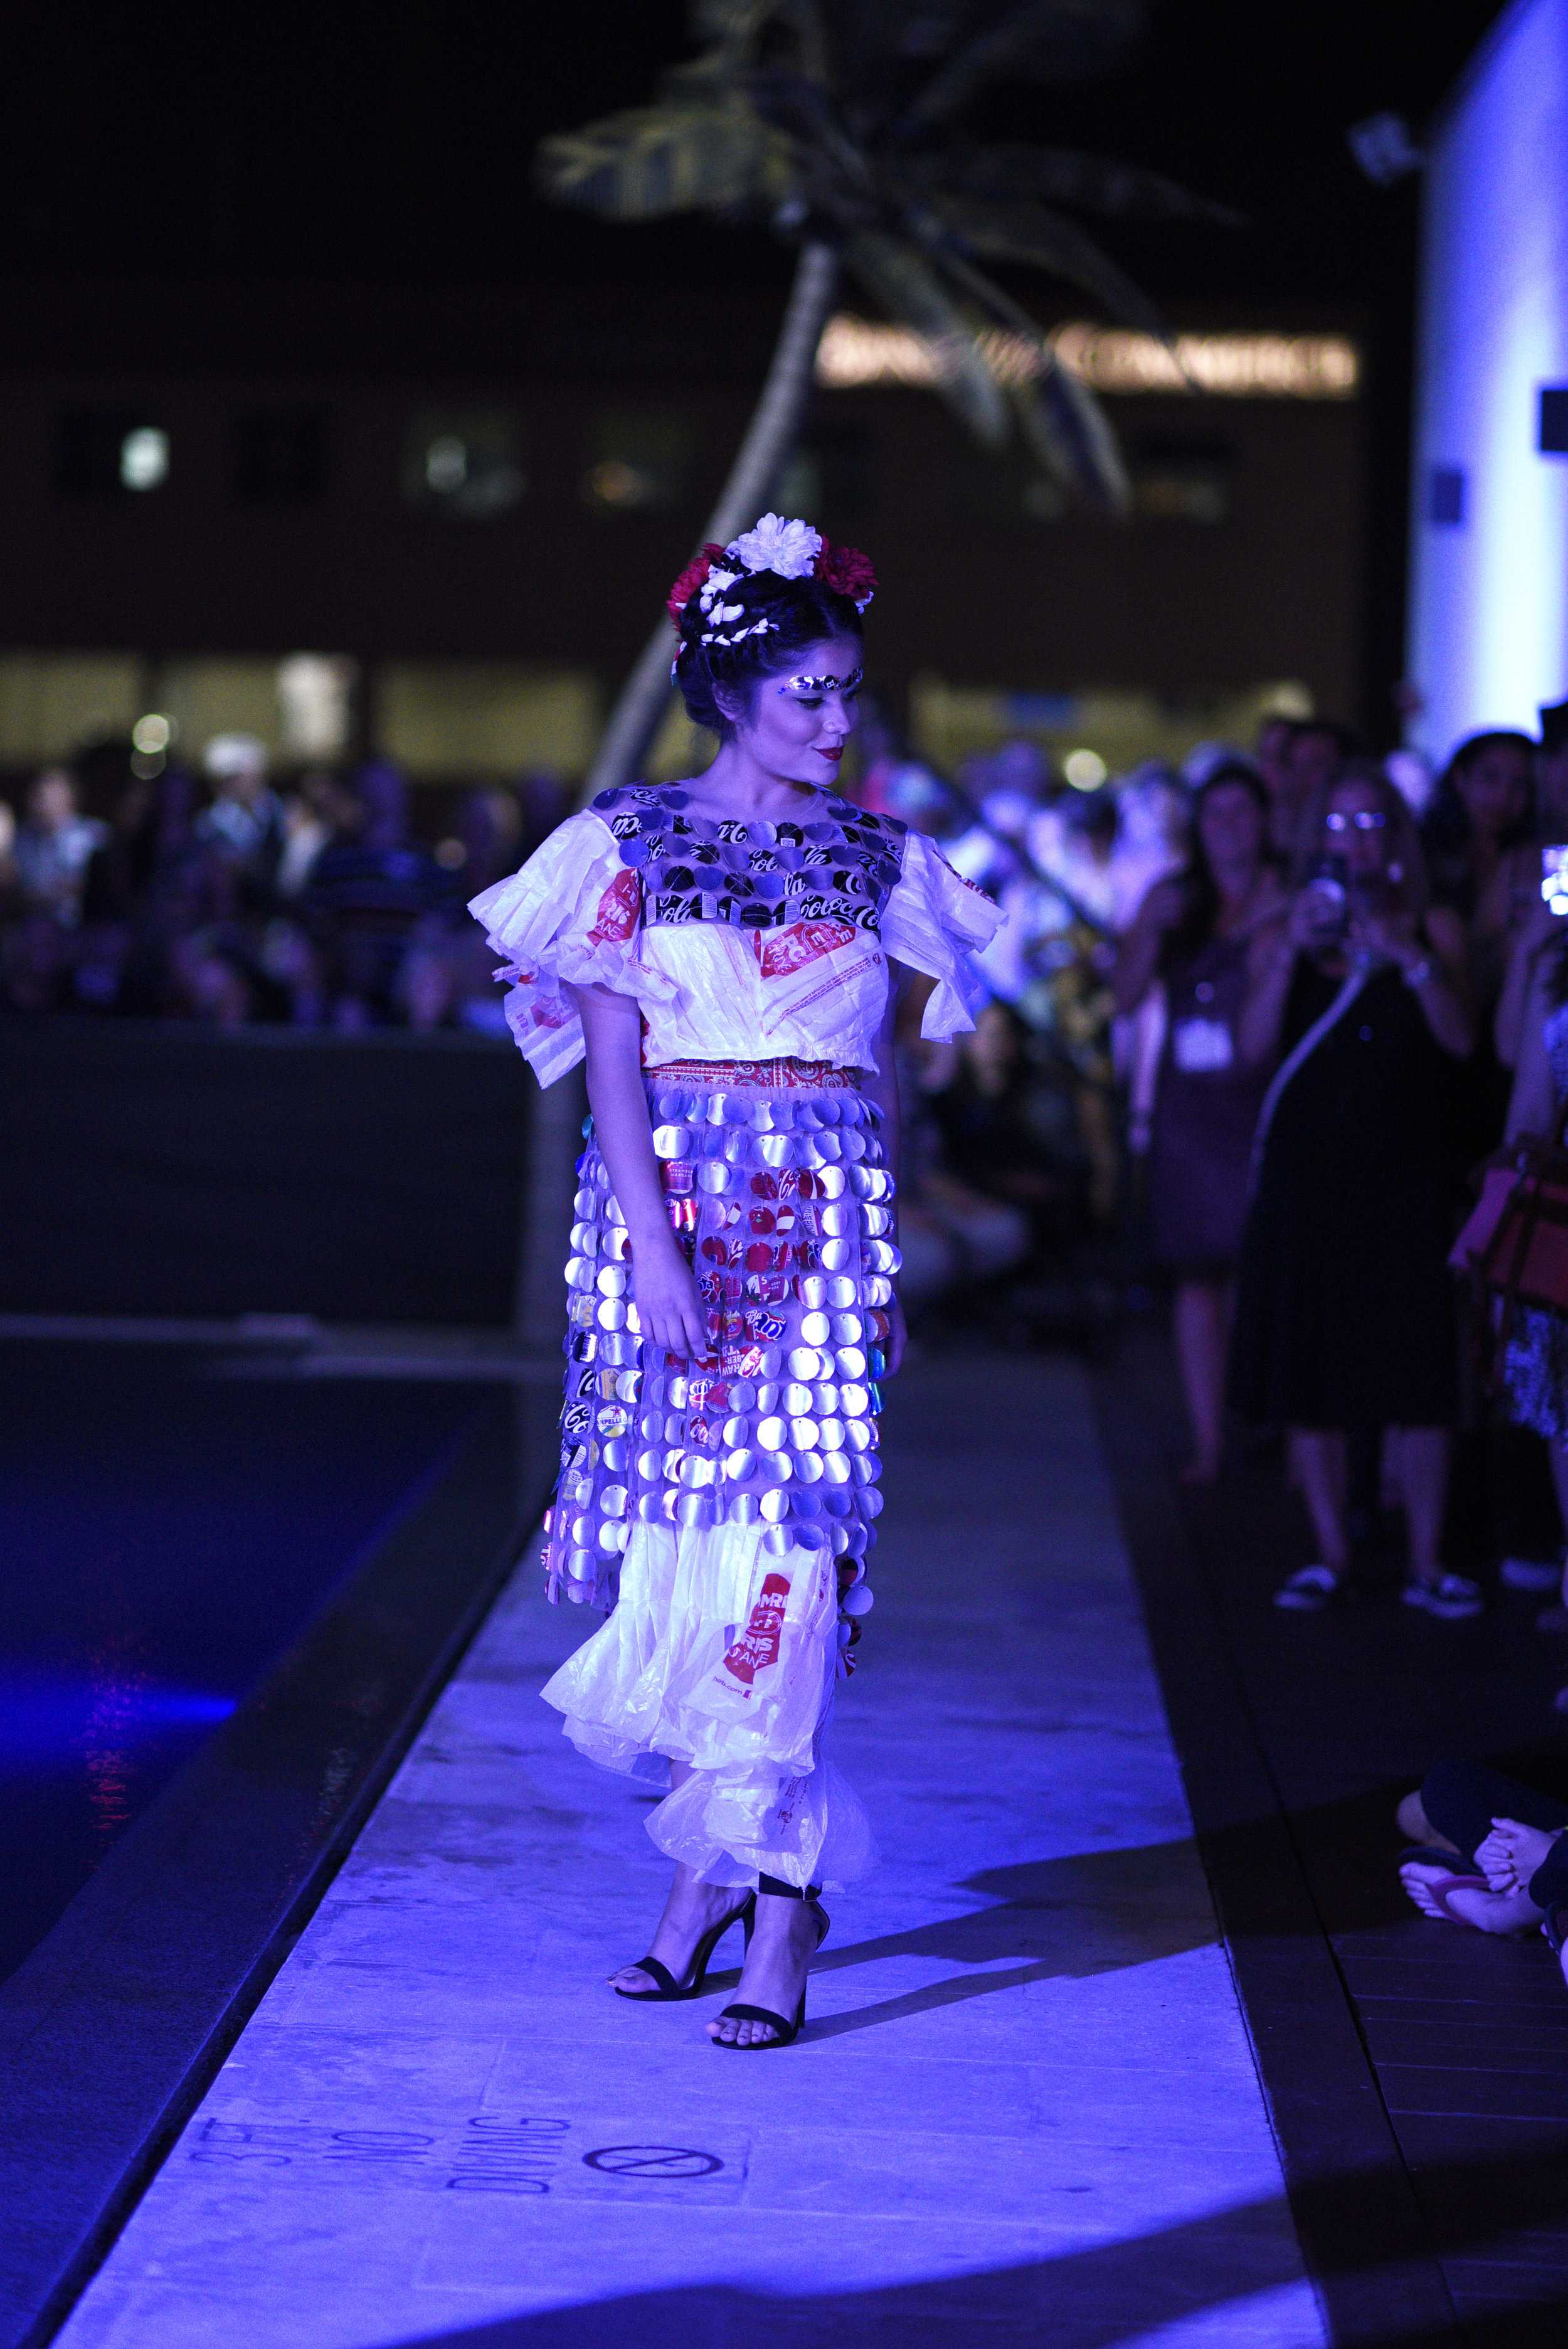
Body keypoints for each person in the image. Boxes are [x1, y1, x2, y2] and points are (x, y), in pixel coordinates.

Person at [469, 513, 1000, 2050]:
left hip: (822, 1240)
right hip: (675, 1219)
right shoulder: (625, 847)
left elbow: (878, 1071)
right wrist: (648, 1245)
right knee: (689, 1556)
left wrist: (877, 1258)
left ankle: (775, 1919)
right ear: (735, 687)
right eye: (812, 693)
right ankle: (719, 1874)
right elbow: (612, 1061)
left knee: (798, 1559)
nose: (840, 719)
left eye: (848, 691)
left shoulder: (885, 859)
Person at [1228, 762, 1478, 1614]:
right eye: (1340, 826)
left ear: (1397, 837)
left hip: (1404, 1175)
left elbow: (1461, 1042)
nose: (1356, 843)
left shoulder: (1433, 925)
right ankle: (1330, 1553)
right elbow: (1252, 1048)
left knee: (1417, 1374)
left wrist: (1409, 957)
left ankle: (1427, 1561)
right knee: (1314, 1373)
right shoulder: (1290, 928)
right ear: (1316, 838)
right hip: (1306, 1182)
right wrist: (1290, 949)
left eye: (1373, 826)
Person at [1116, 761, 1286, 1480]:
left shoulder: (1291, 896)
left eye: (1242, 813)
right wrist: (1149, 937)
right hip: (1189, 1106)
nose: (1228, 829)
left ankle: (1275, 1431)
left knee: (1264, 1274)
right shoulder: (1174, 897)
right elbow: (1122, 998)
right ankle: (1210, 1441)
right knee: (1196, 1277)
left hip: (1264, 1099)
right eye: (1214, 815)